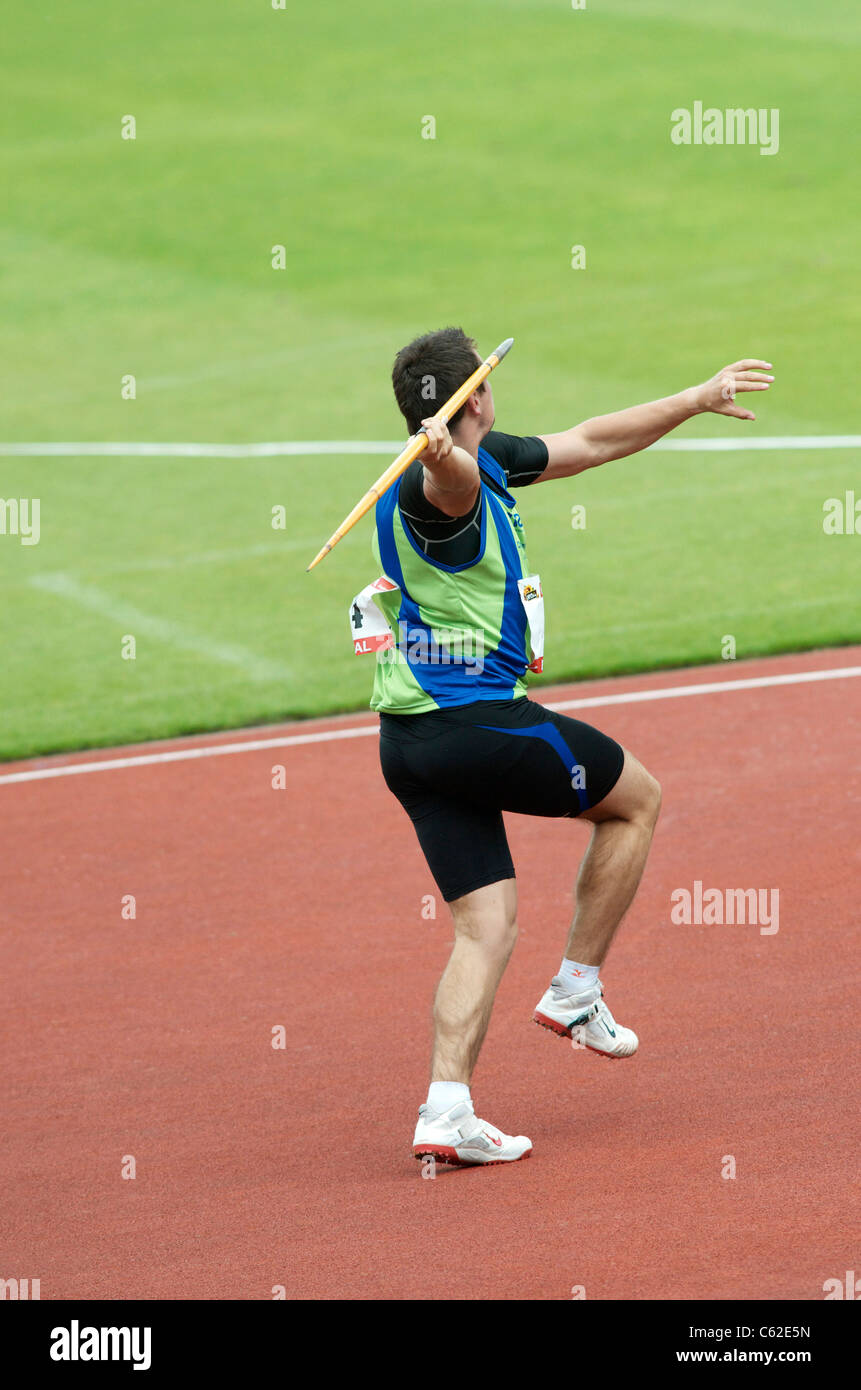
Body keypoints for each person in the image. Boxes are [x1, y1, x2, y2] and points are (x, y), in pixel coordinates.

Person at [353, 327, 773, 1167]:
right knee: (637, 800)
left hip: (408, 742)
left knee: (485, 926)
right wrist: (439, 458)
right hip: (475, 725)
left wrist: (692, 399)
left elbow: (587, 442)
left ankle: (445, 1111)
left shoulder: (488, 455)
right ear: (472, 395)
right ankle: (577, 990)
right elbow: (453, 488)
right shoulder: (437, 487)